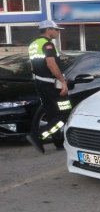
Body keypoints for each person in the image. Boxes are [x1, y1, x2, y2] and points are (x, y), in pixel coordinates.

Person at [25, 20, 71, 153]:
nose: (58, 32)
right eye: (56, 30)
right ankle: (38, 136)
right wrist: (62, 82)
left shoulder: (34, 44)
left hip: (40, 83)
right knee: (65, 114)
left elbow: (33, 66)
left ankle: (58, 143)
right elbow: (51, 64)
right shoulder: (48, 44)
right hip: (51, 85)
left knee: (52, 114)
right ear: (48, 29)